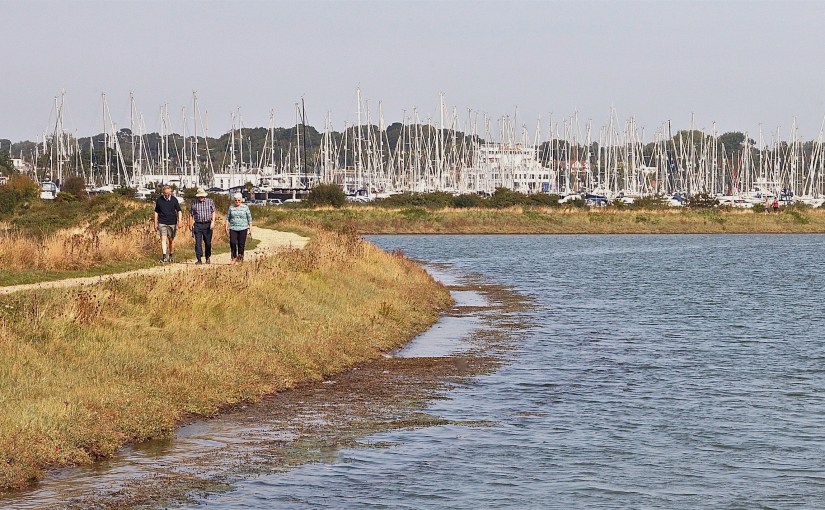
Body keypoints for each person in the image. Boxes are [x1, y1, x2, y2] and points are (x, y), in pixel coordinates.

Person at [153, 185, 182, 263]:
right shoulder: (159, 200)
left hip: (172, 222)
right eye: (165, 194)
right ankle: (164, 256)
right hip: (162, 222)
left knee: (171, 240)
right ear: (163, 193)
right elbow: (156, 212)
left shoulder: (174, 200)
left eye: (168, 193)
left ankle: (171, 254)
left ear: (170, 192)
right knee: (163, 239)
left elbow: (179, 211)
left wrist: (180, 221)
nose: (166, 195)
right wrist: (155, 223)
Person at [189, 188, 216, 264]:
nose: (202, 198)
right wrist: (190, 224)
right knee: (198, 243)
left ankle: (207, 257)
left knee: (208, 242)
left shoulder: (210, 202)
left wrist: (213, 222)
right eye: (200, 196)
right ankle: (199, 259)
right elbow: (191, 214)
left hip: (207, 224)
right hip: (198, 225)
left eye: (203, 196)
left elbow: (213, 211)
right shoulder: (194, 203)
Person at [225, 192, 252, 263]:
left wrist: (250, 229)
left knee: (241, 244)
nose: (237, 202)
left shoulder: (245, 208)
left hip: (243, 228)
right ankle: (234, 257)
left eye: (239, 200)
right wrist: (226, 227)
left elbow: (249, 219)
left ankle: (240, 258)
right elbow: (228, 218)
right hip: (233, 228)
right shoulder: (231, 207)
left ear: (241, 200)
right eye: (236, 200)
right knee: (232, 242)